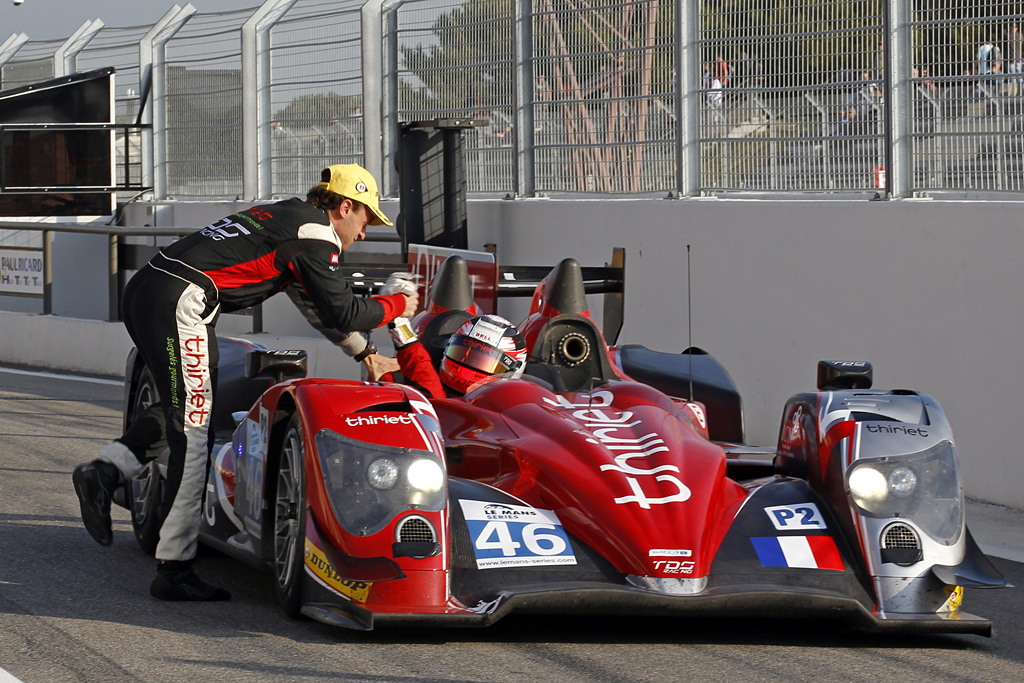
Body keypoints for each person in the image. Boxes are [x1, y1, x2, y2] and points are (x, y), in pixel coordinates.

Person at [72, 163, 418, 602]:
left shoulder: (289, 219)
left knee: (189, 411)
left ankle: (103, 473)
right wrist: (397, 305)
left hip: (152, 290)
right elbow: (343, 311)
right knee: (194, 435)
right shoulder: (316, 237)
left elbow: (311, 303)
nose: (364, 233)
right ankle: (174, 566)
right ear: (345, 206)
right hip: (182, 301)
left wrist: (365, 354)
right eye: (366, 219)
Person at [380, 313, 527, 399]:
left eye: (482, 361)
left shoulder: (518, 410)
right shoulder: (417, 388)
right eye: (463, 354)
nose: (469, 363)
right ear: (447, 347)